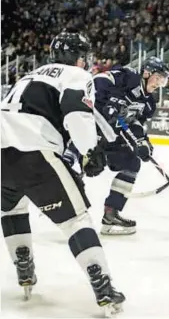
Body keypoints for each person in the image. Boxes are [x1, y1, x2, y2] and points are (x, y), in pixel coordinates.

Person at [1, 31, 125, 316]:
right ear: (77, 57)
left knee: (11, 210)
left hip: (1, 154)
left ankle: (24, 267)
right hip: (35, 153)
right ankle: (102, 285)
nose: (86, 61)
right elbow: (74, 112)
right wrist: (90, 150)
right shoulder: (74, 75)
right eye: (84, 56)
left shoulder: (29, 75)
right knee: (76, 220)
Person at [94, 56, 169, 235]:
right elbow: (99, 87)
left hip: (112, 135)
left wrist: (143, 142)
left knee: (132, 163)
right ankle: (70, 217)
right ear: (146, 73)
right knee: (76, 167)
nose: (159, 83)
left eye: (162, 80)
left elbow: (134, 123)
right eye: (157, 77)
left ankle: (111, 214)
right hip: (91, 130)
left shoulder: (149, 103)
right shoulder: (126, 79)